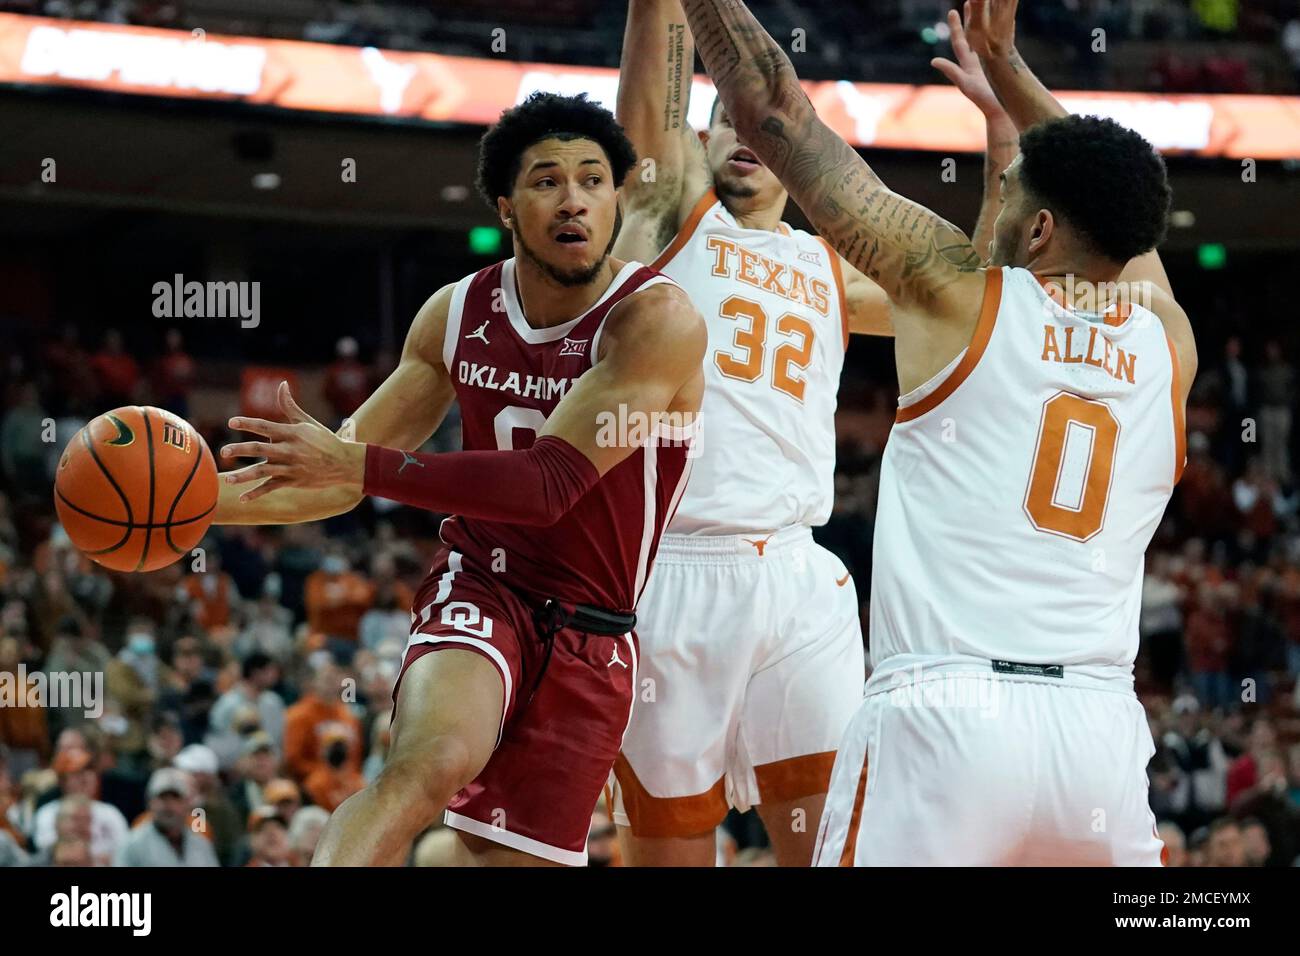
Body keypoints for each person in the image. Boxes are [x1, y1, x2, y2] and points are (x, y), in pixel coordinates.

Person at [683, 0, 1194, 865]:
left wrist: (1006, 68)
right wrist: (1011, 80)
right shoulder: (1166, 342)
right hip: (1099, 736)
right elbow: (1119, 199)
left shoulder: (955, 290)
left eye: (1015, 195)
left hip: (946, 719)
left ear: (1036, 229)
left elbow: (770, 107)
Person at [215, 91, 706, 866]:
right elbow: (336, 477)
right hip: (482, 583)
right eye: (547, 181)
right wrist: (190, 506)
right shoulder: (456, 311)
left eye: (592, 179)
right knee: (426, 765)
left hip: (594, 627)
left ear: (617, 197)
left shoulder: (655, 322)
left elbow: (547, 485)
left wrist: (361, 463)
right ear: (507, 207)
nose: (573, 199)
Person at [606, 0, 895, 867]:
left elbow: (963, 296)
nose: (739, 131)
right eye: (719, 116)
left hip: (800, 576)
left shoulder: (831, 264)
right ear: (697, 136)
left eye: (755, 119)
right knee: (673, 851)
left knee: (835, 845)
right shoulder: (670, 220)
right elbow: (647, 117)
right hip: (674, 578)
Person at [113, 768, 219, 867]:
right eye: (163, 798)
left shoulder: (201, 844)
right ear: (150, 803)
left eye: (176, 798)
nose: (169, 806)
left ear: (187, 803)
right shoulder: (132, 845)